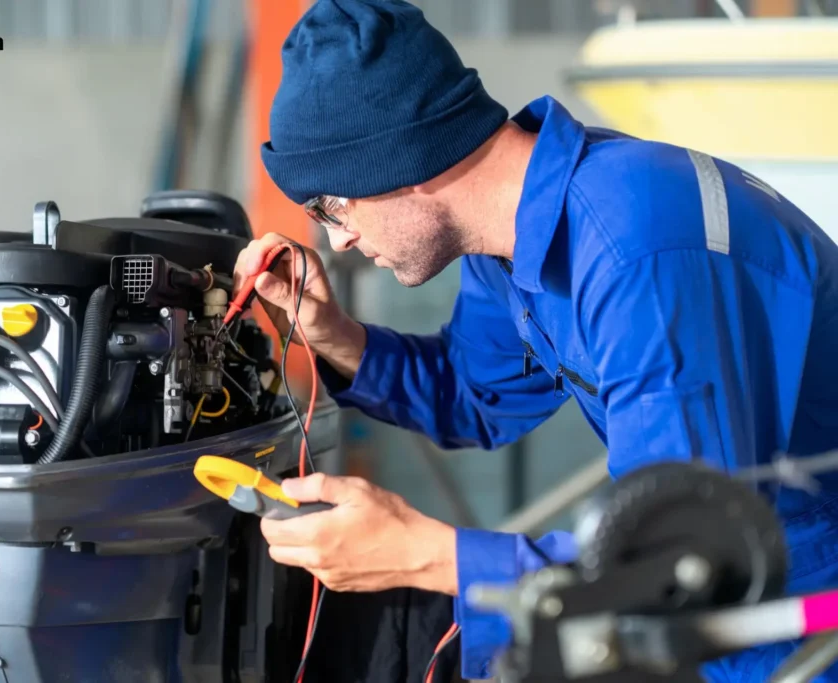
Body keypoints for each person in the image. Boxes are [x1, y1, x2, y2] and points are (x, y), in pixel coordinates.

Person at [234, 0, 838, 680]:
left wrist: (422, 551)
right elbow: (473, 395)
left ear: (405, 159)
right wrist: (332, 333)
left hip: (800, 626)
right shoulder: (516, 239)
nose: (337, 238)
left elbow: (680, 557)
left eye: (332, 205)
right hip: (727, 598)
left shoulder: (639, 249)